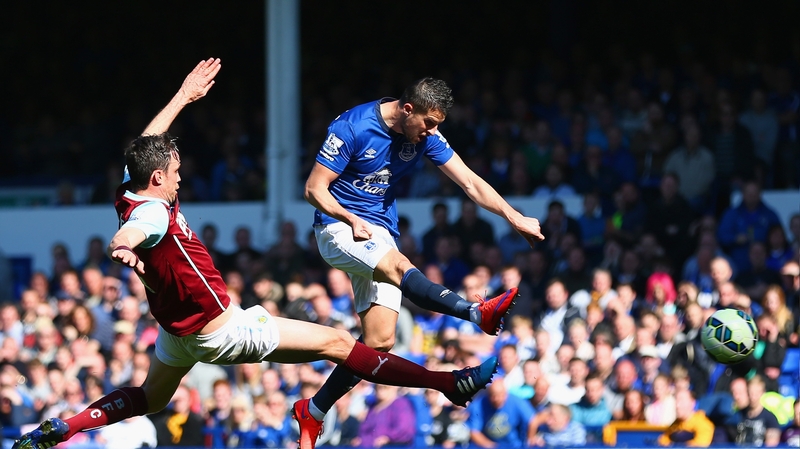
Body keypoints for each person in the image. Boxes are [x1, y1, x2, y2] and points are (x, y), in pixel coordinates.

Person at [12, 59, 499, 449]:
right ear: (158, 178)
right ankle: (445, 383)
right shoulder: (151, 215)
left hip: (174, 333)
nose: (181, 176)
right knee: (338, 344)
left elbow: (142, 150)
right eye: (176, 170)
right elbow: (137, 231)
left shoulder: (131, 191)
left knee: (150, 397)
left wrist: (183, 97)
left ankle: (66, 427)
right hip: (220, 329)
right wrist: (123, 248)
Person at [300, 76, 544, 448]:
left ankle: (313, 412)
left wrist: (514, 217)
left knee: (379, 342)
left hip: (379, 231)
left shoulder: (425, 135)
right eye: (429, 123)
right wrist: (350, 219)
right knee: (399, 266)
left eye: (438, 125)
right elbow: (313, 189)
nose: (432, 132)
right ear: (407, 109)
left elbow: (470, 182)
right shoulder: (352, 127)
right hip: (337, 226)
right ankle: (477, 313)